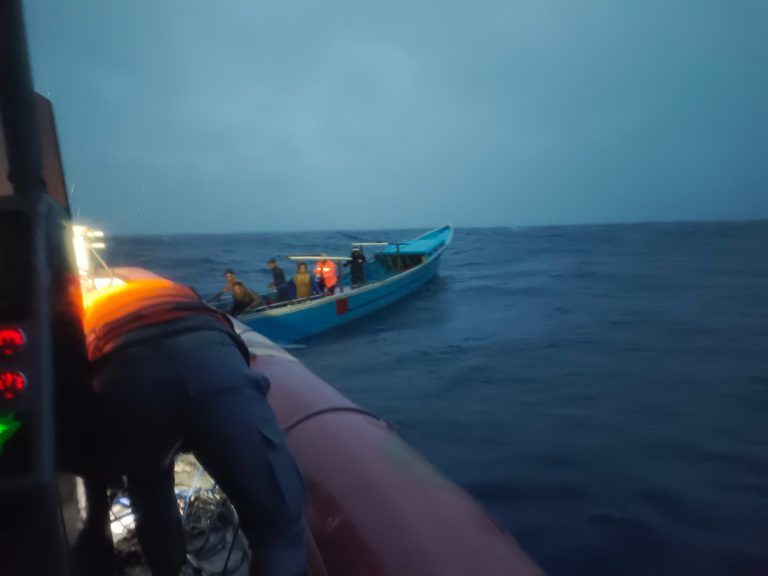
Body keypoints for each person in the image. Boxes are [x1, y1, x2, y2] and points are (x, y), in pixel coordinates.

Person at [68, 278, 307, 576]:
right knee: (280, 531)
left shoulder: (87, 307)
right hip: (210, 353)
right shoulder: (176, 290)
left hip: (124, 367)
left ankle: (170, 568)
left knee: (150, 486)